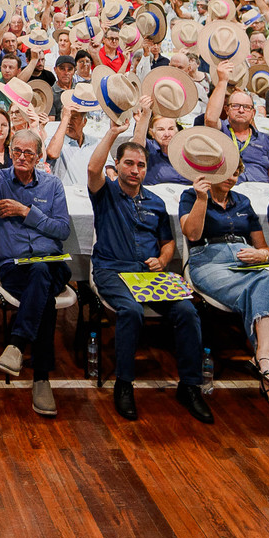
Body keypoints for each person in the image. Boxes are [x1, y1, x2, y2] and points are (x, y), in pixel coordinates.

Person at [87, 137, 213, 423]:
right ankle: (124, 383)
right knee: (131, 311)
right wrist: (112, 131)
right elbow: (93, 170)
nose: (135, 170)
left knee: (187, 311)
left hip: (149, 274)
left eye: (141, 165)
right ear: (116, 165)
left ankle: (190, 386)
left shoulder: (155, 202)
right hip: (112, 270)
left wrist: (165, 259)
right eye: (129, 163)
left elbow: (167, 242)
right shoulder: (105, 193)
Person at [176, 166, 269, 417]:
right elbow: (191, 234)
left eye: (236, 173)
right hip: (208, 261)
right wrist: (202, 199)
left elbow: (265, 249)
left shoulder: (243, 200)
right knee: (268, 286)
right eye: (226, 172)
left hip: (245, 258)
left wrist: (261, 254)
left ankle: (264, 362)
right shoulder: (191, 196)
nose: (231, 178)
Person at [0, 129, 70, 416]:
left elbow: (63, 229)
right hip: (14, 268)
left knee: (43, 269)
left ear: (39, 156)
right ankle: (41, 379)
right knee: (45, 297)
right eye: (16, 151)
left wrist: (25, 211)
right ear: (10, 151)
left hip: (53, 263)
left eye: (28, 153)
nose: (20, 157)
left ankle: (17, 344)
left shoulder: (53, 185)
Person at [201, 64, 269, 184]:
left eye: (246, 107)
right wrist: (223, 81)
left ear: (253, 113)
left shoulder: (265, 141)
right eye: (235, 106)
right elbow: (210, 119)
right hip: (229, 192)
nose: (241, 110)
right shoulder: (220, 132)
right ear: (227, 110)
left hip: (260, 193)